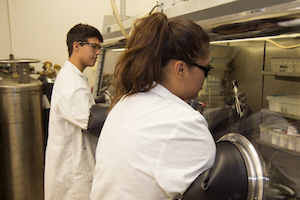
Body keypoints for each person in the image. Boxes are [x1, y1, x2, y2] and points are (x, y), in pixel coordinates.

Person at [90, 12, 216, 200]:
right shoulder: (185, 123)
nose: (206, 78)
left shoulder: (125, 101)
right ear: (180, 69)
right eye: (206, 69)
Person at [44, 23, 103, 200]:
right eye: (94, 46)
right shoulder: (71, 81)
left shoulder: (74, 76)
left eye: (99, 48)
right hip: (73, 170)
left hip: (74, 160)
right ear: (76, 46)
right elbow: (90, 121)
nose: (98, 53)